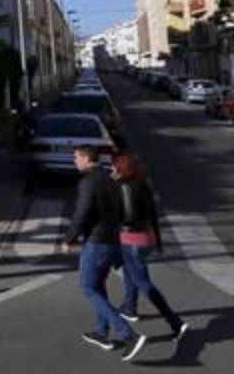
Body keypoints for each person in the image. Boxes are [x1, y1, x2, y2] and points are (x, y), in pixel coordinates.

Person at [59, 146, 147, 361]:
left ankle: (128, 334)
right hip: (115, 240)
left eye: (76, 158)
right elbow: (125, 208)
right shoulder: (112, 176)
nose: (74, 162)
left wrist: (69, 238)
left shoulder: (88, 182)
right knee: (97, 285)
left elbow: (82, 212)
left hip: (97, 243)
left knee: (87, 287)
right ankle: (100, 332)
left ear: (87, 159)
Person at [111, 153, 188, 341]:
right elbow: (153, 214)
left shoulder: (124, 186)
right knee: (131, 273)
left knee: (144, 283)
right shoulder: (142, 183)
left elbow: (128, 216)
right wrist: (158, 241)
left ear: (121, 168)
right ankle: (129, 308)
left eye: (113, 167)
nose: (111, 170)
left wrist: (114, 223)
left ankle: (175, 322)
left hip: (131, 240)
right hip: (146, 238)